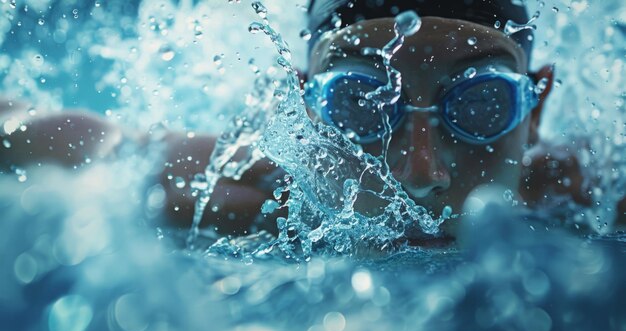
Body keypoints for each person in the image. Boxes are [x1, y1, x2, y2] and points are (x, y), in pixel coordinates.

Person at [0, 0, 623, 244]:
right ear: (306, 113)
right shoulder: (235, 196)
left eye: (481, 105)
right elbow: (64, 136)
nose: (421, 171)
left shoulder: (591, 193)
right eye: (362, 105)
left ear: (535, 108)